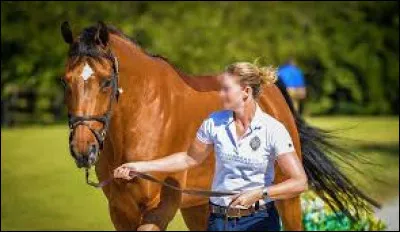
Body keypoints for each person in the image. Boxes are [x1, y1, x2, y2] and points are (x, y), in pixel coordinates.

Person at [114, 62, 308, 231]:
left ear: (246, 92)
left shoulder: (273, 129)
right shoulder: (214, 122)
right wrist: (140, 166)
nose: (219, 94)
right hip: (218, 222)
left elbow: (300, 182)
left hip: (258, 221)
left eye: (226, 89)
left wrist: (260, 193)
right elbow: (189, 158)